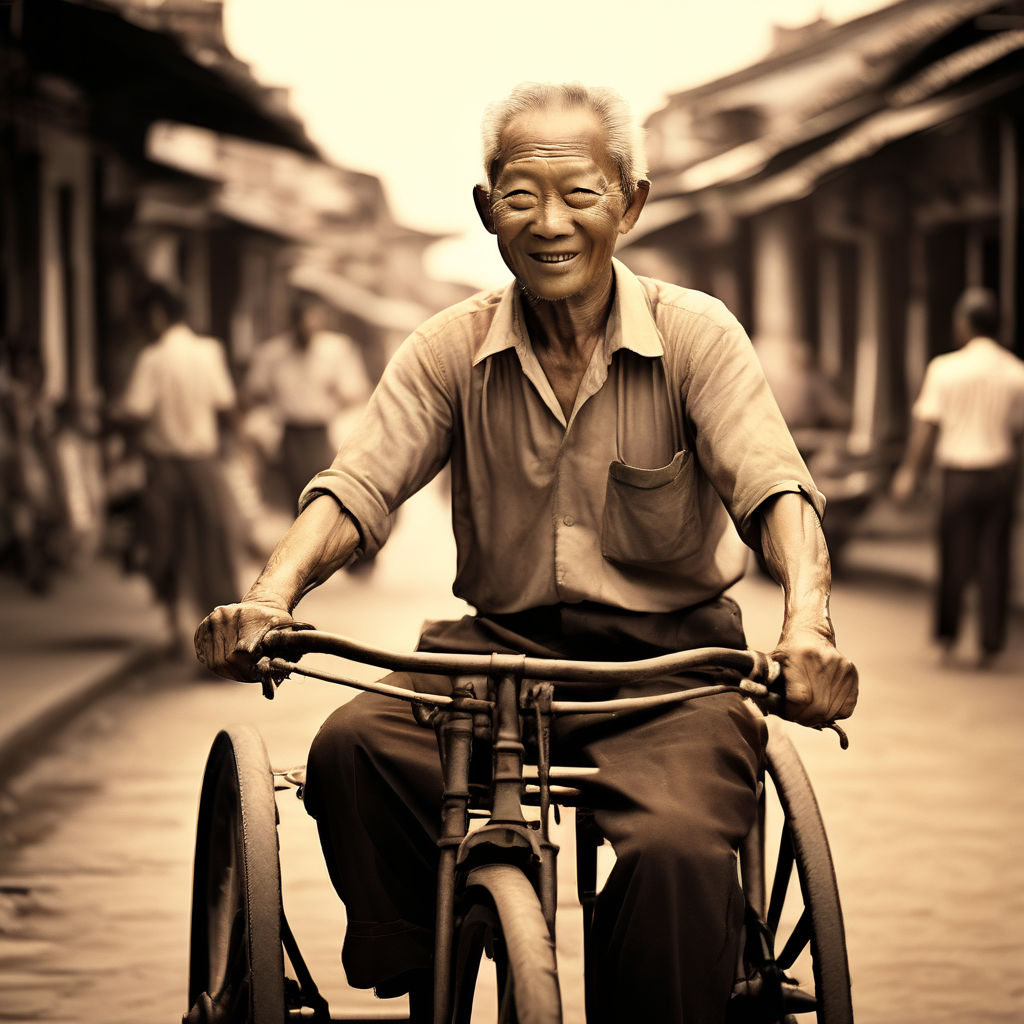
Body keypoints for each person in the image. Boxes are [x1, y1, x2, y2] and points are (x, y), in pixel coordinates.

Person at [196, 82, 858, 1023]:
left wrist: (807, 630)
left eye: (581, 195)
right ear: (486, 210)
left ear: (630, 203)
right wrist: (269, 597)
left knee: (676, 857)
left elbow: (775, 491)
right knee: (349, 751)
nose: (551, 223)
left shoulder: (695, 336)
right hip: (494, 658)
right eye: (520, 197)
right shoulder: (447, 348)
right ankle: (428, 956)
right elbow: (358, 486)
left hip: (667, 671)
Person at [892, 287, 1024, 668]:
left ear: (963, 324)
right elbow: (1017, 431)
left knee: (955, 556)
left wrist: (909, 472)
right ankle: (991, 642)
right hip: (999, 473)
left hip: (957, 475)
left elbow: (926, 427)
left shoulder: (944, 368)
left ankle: (947, 637)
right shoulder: (1016, 372)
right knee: (994, 557)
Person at [119, 283, 241, 653]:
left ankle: (175, 626)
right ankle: (227, 635)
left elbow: (135, 412)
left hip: (165, 468)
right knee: (214, 546)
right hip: (205, 463)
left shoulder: (153, 359)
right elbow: (226, 406)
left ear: (156, 315)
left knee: (164, 546)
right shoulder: (209, 351)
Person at [244, 292, 372, 510]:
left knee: (324, 495)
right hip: (290, 433)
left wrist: (337, 395)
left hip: (322, 432)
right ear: (293, 323)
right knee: (295, 494)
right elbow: (253, 392)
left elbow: (357, 392)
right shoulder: (273, 354)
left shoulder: (336, 350)